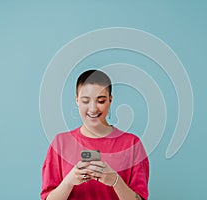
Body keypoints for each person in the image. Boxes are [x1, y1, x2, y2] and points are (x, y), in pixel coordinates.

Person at [41, 69, 149, 200]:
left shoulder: (132, 144)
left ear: (110, 100)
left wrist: (115, 181)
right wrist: (69, 181)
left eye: (101, 101)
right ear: (77, 101)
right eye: (86, 101)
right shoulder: (60, 143)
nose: (93, 109)